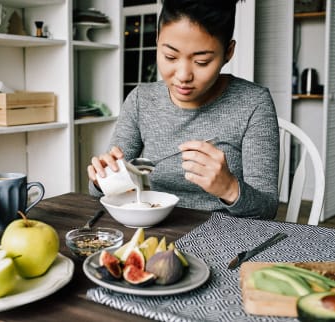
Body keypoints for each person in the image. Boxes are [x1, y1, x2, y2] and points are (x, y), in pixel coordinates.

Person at [88, 0, 279, 219]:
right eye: (170, 56)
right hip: (154, 228)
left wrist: (229, 188)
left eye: (202, 61)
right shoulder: (142, 100)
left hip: (226, 237)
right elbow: (99, 192)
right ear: (157, 41)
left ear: (228, 52)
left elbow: (267, 210)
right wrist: (102, 179)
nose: (183, 75)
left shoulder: (253, 103)